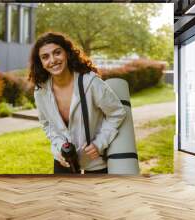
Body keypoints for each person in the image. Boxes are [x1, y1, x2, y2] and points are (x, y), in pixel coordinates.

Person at [29, 32, 126, 174]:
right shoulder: (41, 91)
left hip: (95, 161)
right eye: (45, 57)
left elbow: (117, 113)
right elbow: (47, 124)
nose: (53, 60)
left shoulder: (90, 82)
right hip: (63, 159)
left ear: (67, 53)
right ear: (41, 63)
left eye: (57, 53)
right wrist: (58, 146)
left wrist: (100, 143)